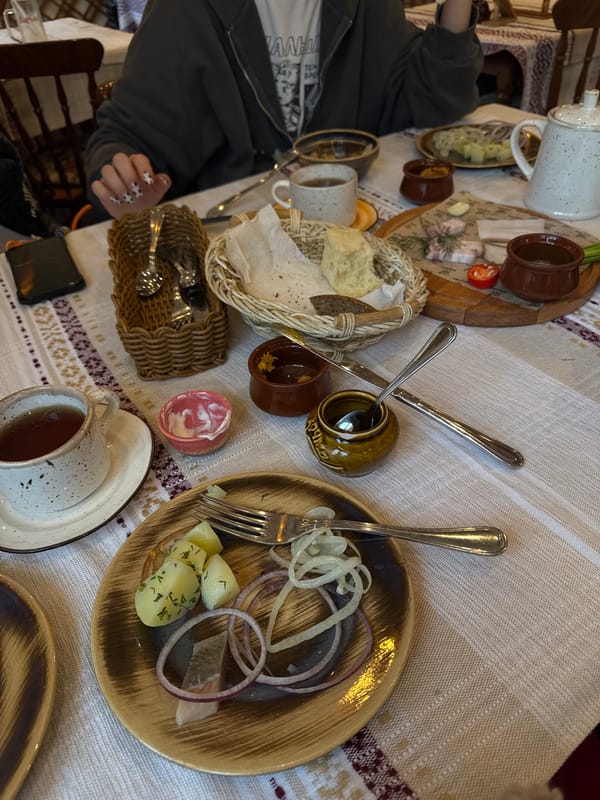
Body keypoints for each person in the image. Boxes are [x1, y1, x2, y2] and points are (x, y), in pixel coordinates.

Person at [86, 0, 483, 221]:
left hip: (348, 227)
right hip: (230, 243)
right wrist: (123, 174)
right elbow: (126, 137)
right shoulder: (184, 11)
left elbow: (431, 102)